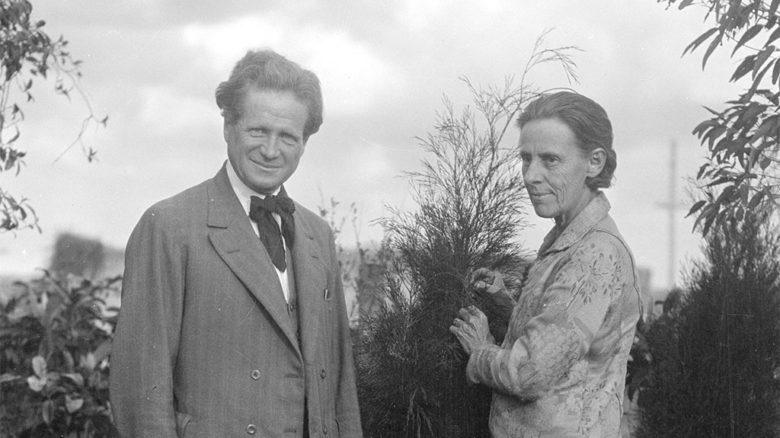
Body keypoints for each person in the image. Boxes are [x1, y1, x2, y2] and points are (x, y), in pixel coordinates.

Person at [109, 49, 362, 438]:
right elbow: (140, 394)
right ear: (228, 126)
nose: (271, 150)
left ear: (305, 142)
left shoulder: (318, 235)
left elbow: (341, 389)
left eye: (288, 137)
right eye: (258, 130)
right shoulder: (169, 226)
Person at [450, 91, 642, 437]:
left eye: (550, 160)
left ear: (594, 163)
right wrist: (504, 302)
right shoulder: (567, 238)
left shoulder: (593, 253)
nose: (530, 175)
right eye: (526, 159)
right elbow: (564, 345)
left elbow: (530, 372)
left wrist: (479, 352)